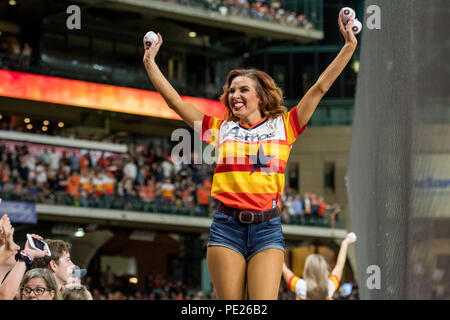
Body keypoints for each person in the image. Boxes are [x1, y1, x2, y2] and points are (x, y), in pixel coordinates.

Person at [142, 10, 357, 299]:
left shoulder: (286, 125)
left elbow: (320, 87)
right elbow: (174, 102)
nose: (235, 95)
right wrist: (149, 61)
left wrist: (348, 47)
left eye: (243, 89)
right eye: (231, 90)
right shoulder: (219, 129)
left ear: (260, 96)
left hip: (268, 229)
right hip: (226, 227)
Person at [281, 232, 357, 300]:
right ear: (325, 270)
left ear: (306, 271)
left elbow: (284, 268)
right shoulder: (330, 287)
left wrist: (277, 248)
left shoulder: (301, 287)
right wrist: (345, 243)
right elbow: (340, 265)